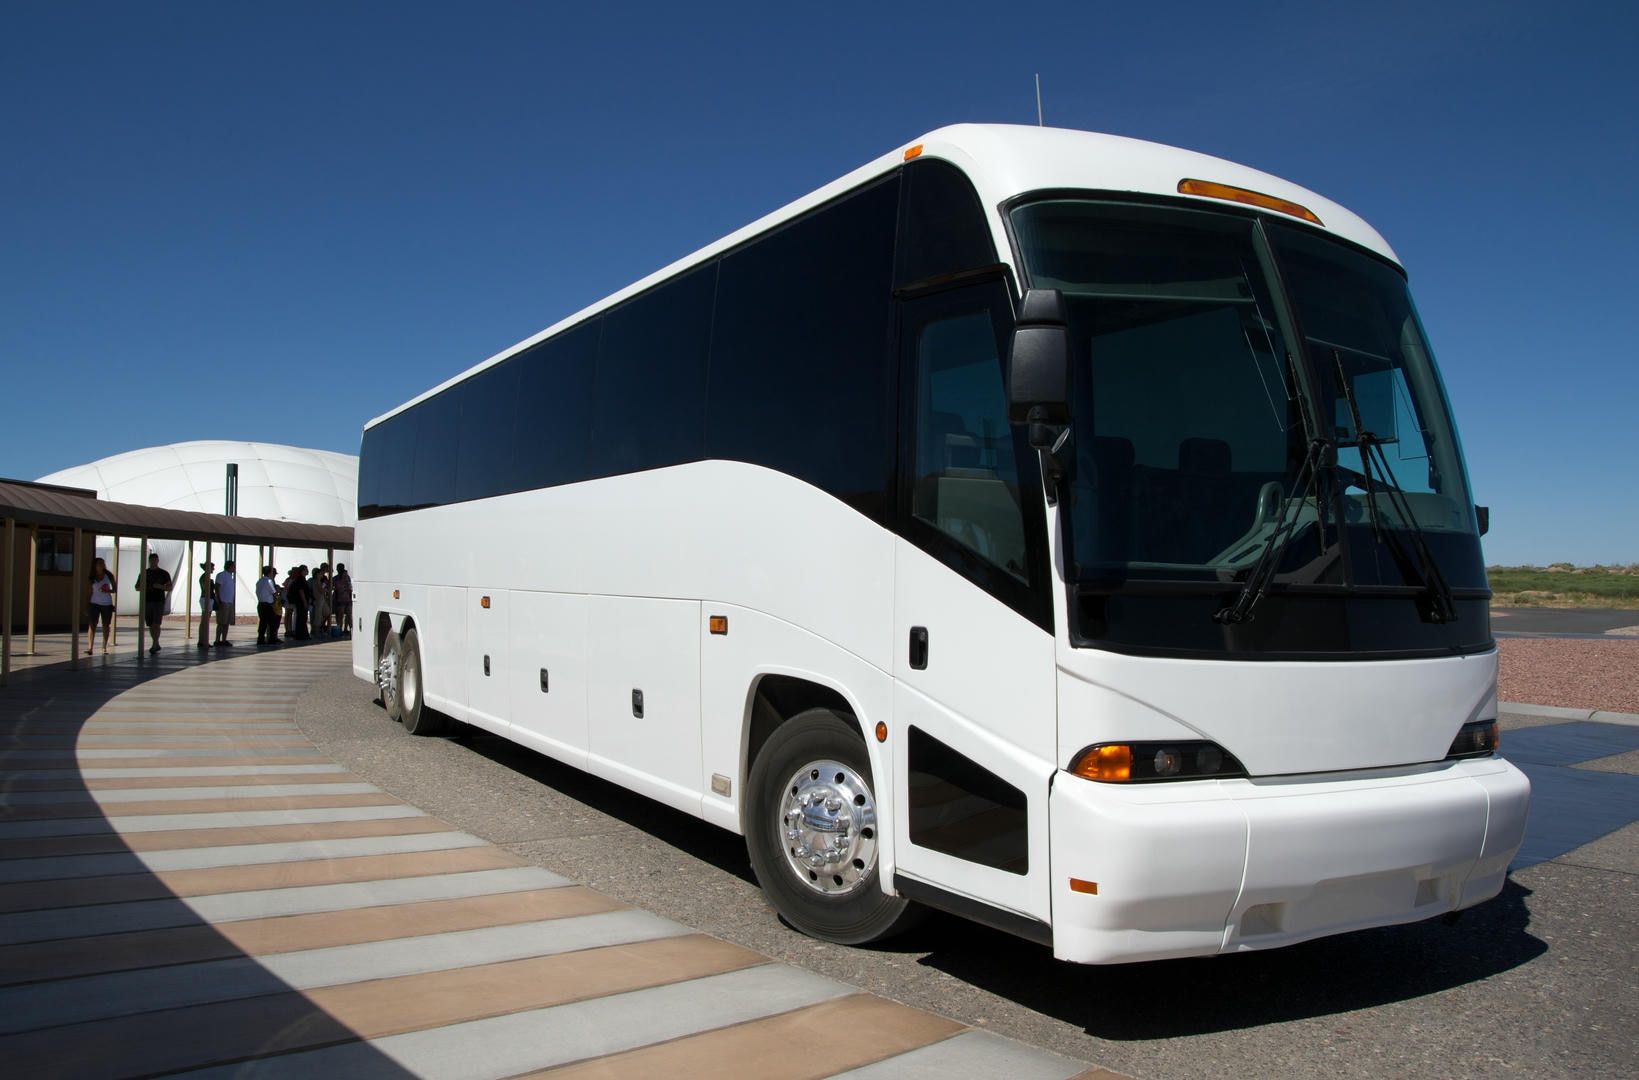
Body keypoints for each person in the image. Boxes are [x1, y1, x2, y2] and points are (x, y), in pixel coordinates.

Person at [135, 552, 173, 654]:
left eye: (155, 560)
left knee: (156, 623)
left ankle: (155, 643)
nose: (154, 562)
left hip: (158, 601)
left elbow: (170, 587)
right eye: (152, 560)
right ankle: (155, 643)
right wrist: (145, 587)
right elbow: (137, 587)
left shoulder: (164, 573)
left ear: (158, 560)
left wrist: (160, 587)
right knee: (151, 624)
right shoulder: (144, 573)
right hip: (147, 600)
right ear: (149, 561)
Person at [85, 557, 117, 654]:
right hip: (94, 603)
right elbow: (89, 592)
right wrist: (87, 605)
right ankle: (90, 647)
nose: (101, 565)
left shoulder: (109, 575)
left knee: (105, 625)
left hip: (106, 604)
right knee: (92, 625)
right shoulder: (91, 577)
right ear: (95, 565)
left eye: (102, 563)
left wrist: (108, 590)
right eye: (99, 564)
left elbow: (114, 589)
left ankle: (104, 647)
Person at [256, 565, 281, 646]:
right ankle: (272, 639)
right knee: (272, 623)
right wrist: (277, 595)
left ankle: (260, 639)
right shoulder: (269, 581)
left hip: (261, 604)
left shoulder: (259, 581)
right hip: (268, 605)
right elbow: (274, 593)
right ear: (270, 573)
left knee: (263, 622)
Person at [214, 560, 237, 647]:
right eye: (233, 566)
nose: (234, 568)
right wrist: (219, 599)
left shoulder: (230, 577)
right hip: (223, 601)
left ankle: (224, 639)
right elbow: (217, 587)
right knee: (221, 622)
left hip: (229, 602)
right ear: (230, 567)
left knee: (226, 622)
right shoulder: (221, 575)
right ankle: (217, 640)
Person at [196, 560, 216, 649]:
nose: (213, 569)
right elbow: (205, 588)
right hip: (206, 599)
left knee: (204, 621)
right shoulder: (205, 577)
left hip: (208, 598)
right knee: (205, 621)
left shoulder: (205, 577)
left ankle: (202, 640)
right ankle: (203, 640)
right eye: (212, 567)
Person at [290, 565, 313, 640]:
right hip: (301, 602)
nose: (307, 571)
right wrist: (305, 601)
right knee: (301, 618)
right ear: (302, 571)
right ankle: (301, 635)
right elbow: (301, 591)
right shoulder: (300, 579)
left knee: (302, 617)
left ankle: (303, 634)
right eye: (306, 570)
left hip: (301, 601)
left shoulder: (302, 579)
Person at [332, 563, 352, 634]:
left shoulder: (346, 578)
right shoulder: (336, 578)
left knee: (348, 615)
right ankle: (340, 629)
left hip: (346, 599)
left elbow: (350, 588)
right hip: (340, 599)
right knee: (341, 615)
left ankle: (347, 629)